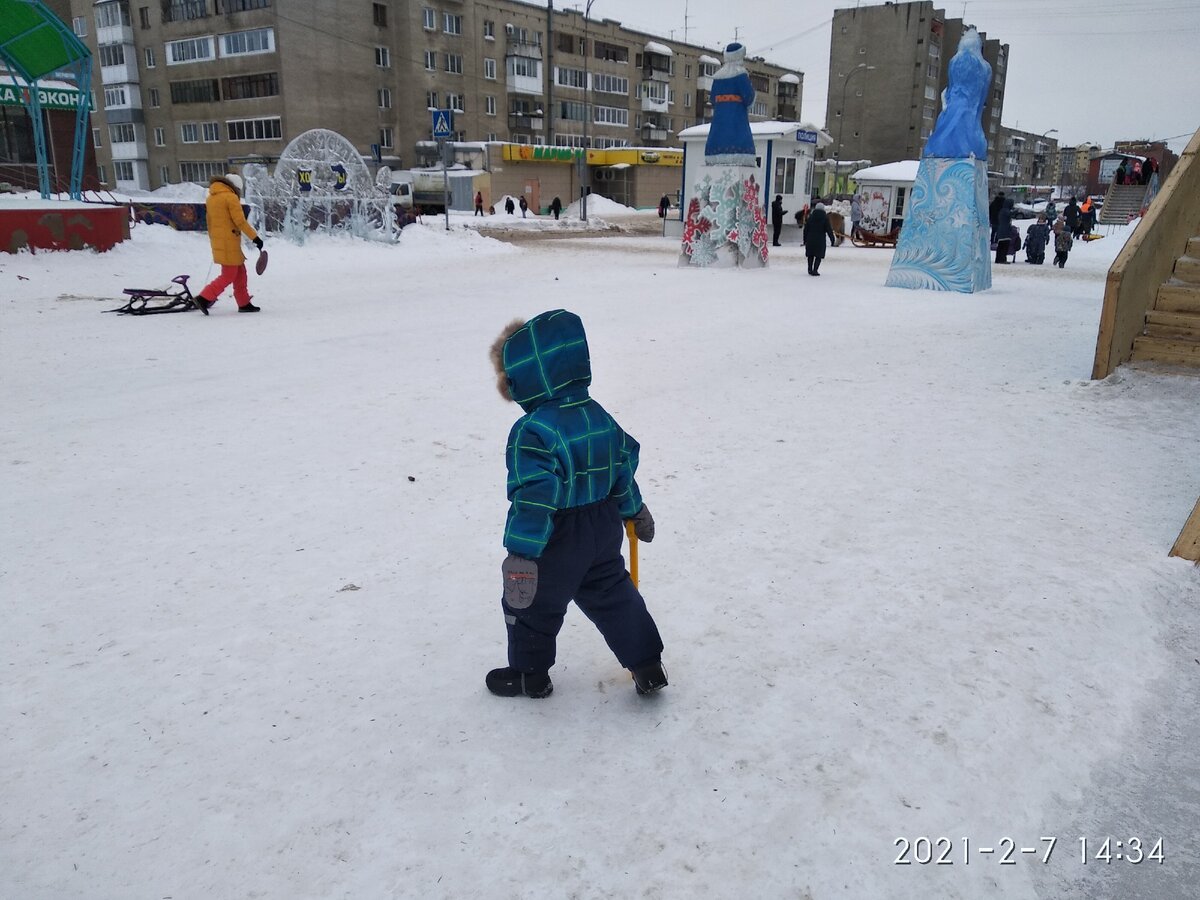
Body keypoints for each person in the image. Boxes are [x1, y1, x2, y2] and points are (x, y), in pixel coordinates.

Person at [486, 309, 666, 699]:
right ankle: (647, 665)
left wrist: (522, 552)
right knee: (614, 594)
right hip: (602, 526)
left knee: (531, 606)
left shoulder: (531, 430)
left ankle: (529, 675)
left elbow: (535, 496)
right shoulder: (598, 415)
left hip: (556, 536)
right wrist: (634, 510)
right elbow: (621, 467)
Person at [194, 173, 262, 314]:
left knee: (240, 273)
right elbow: (240, 221)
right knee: (229, 274)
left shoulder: (211, 198)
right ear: (236, 187)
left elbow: (210, 222)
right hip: (229, 241)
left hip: (221, 240)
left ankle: (244, 303)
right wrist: (255, 238)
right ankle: (204, 297)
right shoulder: (230, 197)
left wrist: (215, 239)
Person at [703, 43, 756, 166]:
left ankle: (714, 154)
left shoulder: (718, 77)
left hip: (719, 120)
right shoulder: (741, 75)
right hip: (737, 119)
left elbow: (713, 99)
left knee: (717, 136)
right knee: (740, 140)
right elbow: (749, 97)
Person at [802, 201, 836, 275]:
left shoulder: (810, 218)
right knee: (818, 256)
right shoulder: (825, 218)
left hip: (810, 239)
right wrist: (832, 240)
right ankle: (815, 270)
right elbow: (829, 230)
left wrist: (805, 240)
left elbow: (805, 230)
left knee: (810, 255)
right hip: (820, 240)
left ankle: (810, 269)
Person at [994, 197, 1014, 264]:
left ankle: (998, 259)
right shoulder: (1006, 211)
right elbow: (1010, 215)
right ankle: (1002, 259)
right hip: (1005, 231)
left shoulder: (1002, 210)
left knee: (1000, 246)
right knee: (1004, 246)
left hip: (1000, 230)